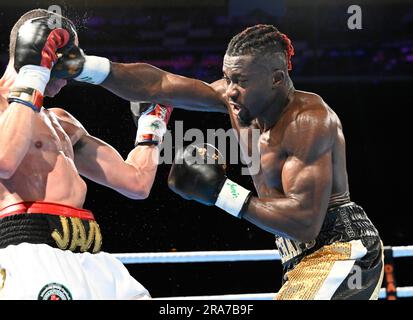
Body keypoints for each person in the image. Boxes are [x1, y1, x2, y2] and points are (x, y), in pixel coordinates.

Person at [0, 9, 226, 300]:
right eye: (65, 54)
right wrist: (34, 73)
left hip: (89, 255)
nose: (71, 71)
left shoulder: (62, 122)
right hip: (32, 253)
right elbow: (5, 161)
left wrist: (152, 123)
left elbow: (136, 183)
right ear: (37, 49)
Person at [166, 25, 384, 300]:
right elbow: (159, 83)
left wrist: (222, 193)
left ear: (275, 79)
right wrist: (97, 69)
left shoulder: (307, 119)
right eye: (227, 79)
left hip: (340, 248)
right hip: (297, 259)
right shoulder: (237, 105)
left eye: (242, 80)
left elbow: (306, 224)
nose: (230, 91)